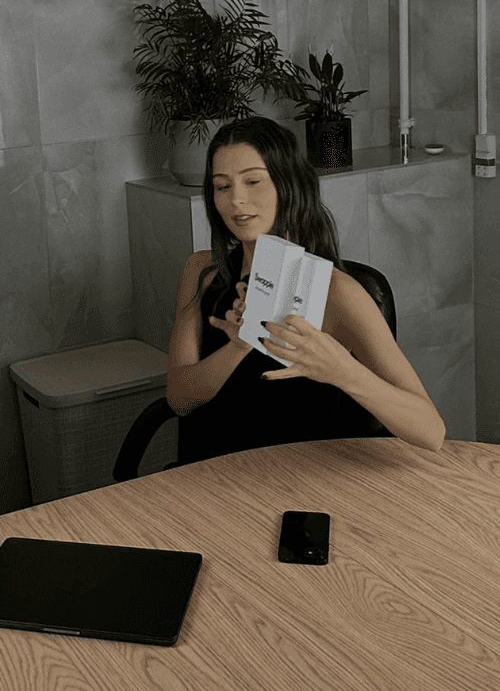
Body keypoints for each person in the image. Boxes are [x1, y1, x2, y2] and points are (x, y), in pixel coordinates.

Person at [165, 116, 446, 461]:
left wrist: (343, 371)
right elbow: (179, 400)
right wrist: (239, 345)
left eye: (253, 181)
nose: (236, 199)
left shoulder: (339, 293)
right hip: (210, 475)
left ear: (289, 185)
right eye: (222, 186)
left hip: (300, 479)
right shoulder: (203, 271)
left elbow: (430, 430)